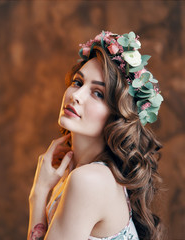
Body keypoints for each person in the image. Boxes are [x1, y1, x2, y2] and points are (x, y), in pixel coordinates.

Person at [27, 31, 164, 240]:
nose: (76, 96)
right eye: (78, 83)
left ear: (117, 115)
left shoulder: (90, 180)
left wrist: (38, 194)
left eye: (98, 93)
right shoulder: (78, 173)